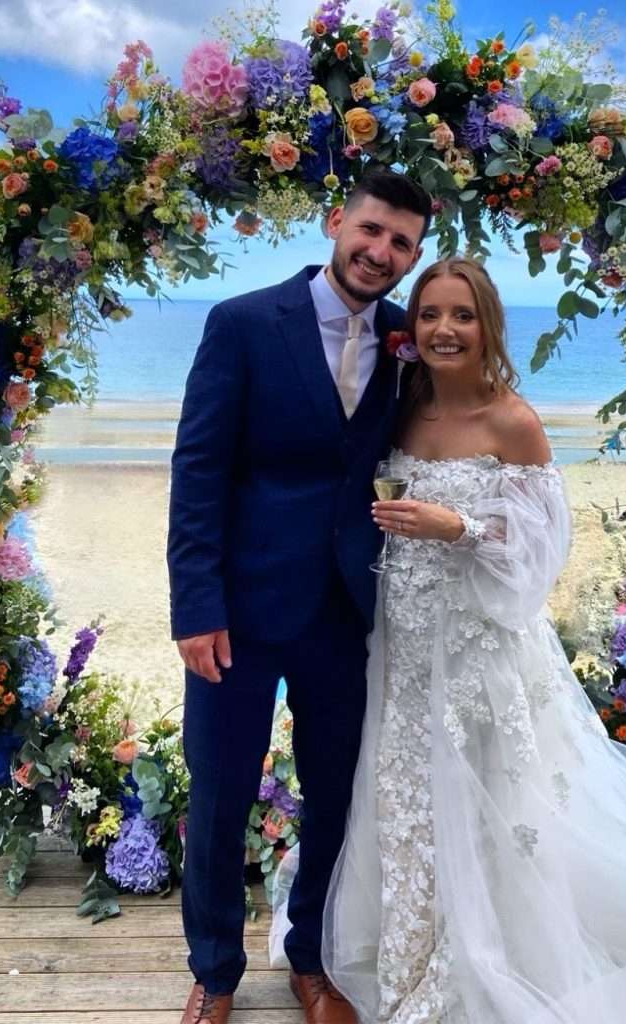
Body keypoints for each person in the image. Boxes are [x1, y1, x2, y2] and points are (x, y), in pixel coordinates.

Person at [316, 257, 626, 1023]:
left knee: (497, 797)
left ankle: (500, 950)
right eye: (429, 315)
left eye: (462, 315)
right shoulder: (400, 404)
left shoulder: (513, 422)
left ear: (488, 327)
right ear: (410, 329)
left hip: (482, 651)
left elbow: (539, 557)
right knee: (409, 796)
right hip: (405, 650)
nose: (444, 330)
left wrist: (461, 527)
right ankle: (413, 943)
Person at [167, 168, 430, 1024]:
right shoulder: (242, 323)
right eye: (372, 231)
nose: (381, 251)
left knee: (337, 790)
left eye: (402, 244)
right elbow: (198, 471)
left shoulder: (407, 340)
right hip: (237, 614)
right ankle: (214, 971)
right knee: (219, 795)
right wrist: (195, 608)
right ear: (334, 223)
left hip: (347, 614)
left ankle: (310, 957)